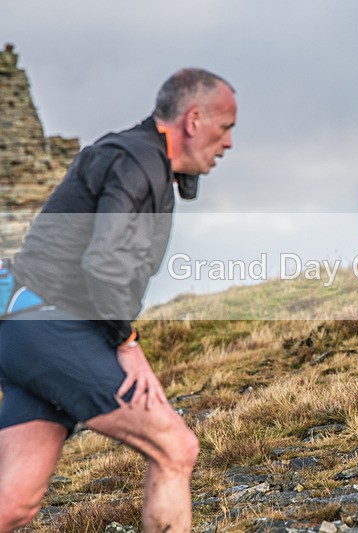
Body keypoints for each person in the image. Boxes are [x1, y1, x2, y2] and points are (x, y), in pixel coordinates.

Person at [0, 68, 236, 532]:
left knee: (14, 502)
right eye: (225, 127)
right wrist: (128, 344)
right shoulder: (136, 161)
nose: (228, 143)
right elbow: (104, 263)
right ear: (193, 120)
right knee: (175, 447)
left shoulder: (141, 158)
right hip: (46, 322)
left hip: (25, 328)